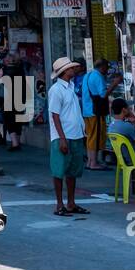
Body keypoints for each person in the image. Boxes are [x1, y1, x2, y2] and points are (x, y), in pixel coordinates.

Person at [48, 57, 88, 217]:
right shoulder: (56, 90)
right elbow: (55, 115)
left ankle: (71, 203)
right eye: (71, 68)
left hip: (75, 134)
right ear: (64, 72)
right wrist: (62, 138)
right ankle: (59, 204)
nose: (74, 70)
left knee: (72, 170)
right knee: (59, 170)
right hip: (63, 136)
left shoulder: (70, 87)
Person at [82, 59, 120, 170]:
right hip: (95, 111)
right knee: (96, 136)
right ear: (102, 66)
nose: (107, 69)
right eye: (107, 67)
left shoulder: (87, 75)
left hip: (87, 110)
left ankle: (90, 161)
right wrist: (114, 84)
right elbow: (103, 94)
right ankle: (93, 163)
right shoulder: (98, 77)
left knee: (90, 136)